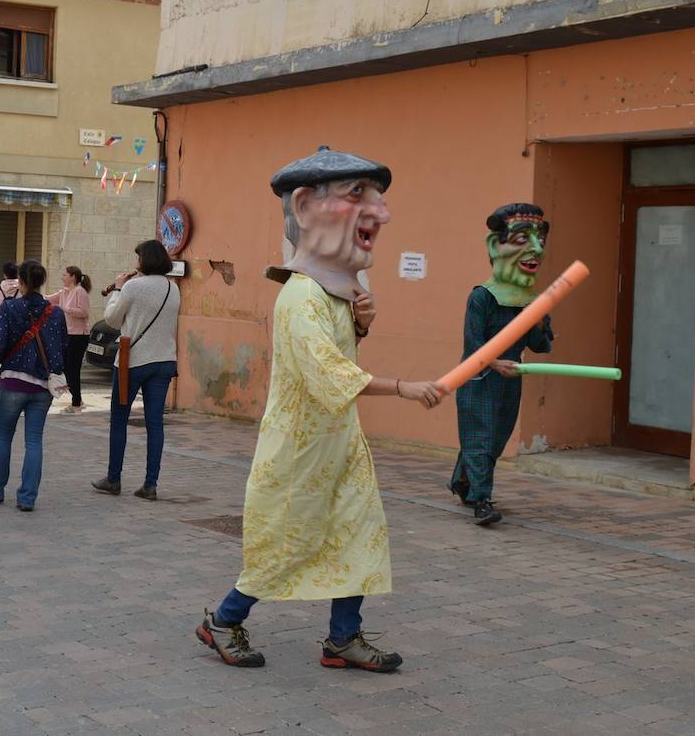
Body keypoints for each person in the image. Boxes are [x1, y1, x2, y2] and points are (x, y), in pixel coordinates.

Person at [194, 146, 445, 670]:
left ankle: (342, 638)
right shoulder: (300, 297)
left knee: (357, 532)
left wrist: (362, 324)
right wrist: (403, 387)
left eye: (377, 198)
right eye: (358, 195)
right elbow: (328, 373)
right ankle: (223, 620)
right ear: (305, 207)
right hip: (298, 453)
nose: (381, 212)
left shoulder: (337, 295)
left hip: (340, 442)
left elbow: (342, 353)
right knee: (286, 544)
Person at [449, 203, 554, 526]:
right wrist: (496, 363)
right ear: (496, 246)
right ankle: (482, 501)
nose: (535, 249)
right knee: (480, 437)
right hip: (478, 378)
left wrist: (537, 321)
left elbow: (540, 346)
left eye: (539, 240)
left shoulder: (534, 301)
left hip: (510, 380)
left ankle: (463, 482)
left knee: (493, 439)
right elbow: (473, 343)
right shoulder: (481, 296)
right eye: (522, 239)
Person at [91, 240, 181, 500]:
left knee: (119, 419)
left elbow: (112, 319)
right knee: (155, 423)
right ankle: (150, 484)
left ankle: (113, 479)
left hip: (133, 360)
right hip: (164, 360)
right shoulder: (173, 289)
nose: (135, 262)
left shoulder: (132, 286)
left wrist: (117, 290)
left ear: (145, 260)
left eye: (138, 257)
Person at [0, 260, 68, 511]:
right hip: (42, 385)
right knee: (34, 440)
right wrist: (56, 370)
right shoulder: (55, 312)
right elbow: (62, 347)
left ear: (22, 282)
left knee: (4, 436)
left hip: (13, 381)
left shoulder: (10, 308)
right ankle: (27, 497)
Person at [46, 265, 92, 413]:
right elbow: (48, 299)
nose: (62, 277)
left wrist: (65, 309)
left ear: (73, 277)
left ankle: (77, 403)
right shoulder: (64, 292)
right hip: (67, 334)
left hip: (79, 336)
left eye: (65, 275)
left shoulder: (80, 291)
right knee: (66, 368)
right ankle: (77, 399)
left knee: (73, 369)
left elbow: (84, 313)